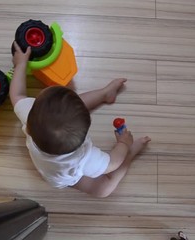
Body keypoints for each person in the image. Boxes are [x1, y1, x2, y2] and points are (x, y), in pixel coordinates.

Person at [10, 42, 151, 197]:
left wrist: (20, 64)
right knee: (102, 189)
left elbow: (17, 94)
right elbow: (112, 163)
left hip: (49, 164)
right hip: (68, 178)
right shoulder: (84, 158)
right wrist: (123, 144)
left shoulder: (30, 115)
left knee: (68, 110)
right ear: (84, 137)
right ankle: (130, 155)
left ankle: (105, 93)